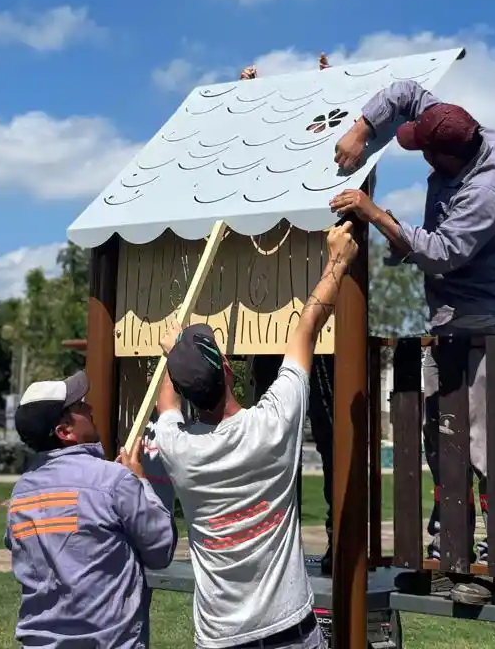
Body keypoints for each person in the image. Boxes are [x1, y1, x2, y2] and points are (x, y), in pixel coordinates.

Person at [329, 79, 495, 605]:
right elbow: (403, 91)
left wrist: (376, 216)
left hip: (490, 326)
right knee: (444, 444)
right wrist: (361, 128)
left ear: (452, 156)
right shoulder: (457, 124)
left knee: (486, 447)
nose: (422, 160)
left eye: (427, 153)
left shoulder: (487, 192)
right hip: (451, 323)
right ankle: (449, 557)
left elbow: (442, 251)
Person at [153, 220, 360, 649]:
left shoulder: (177, 449)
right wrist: (337, 260)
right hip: (290, 632)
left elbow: (165, 405)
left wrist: (176, 355)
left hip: (221, 639)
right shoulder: (272, 425)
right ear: (230, 370)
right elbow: (307, 326)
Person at [241, 55, 337, 575]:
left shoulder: (333, 172)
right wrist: (245, 103)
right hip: (268, 323)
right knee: (273, 441)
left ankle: (341, 542)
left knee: (331, 439)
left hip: (322, 331)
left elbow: (349, 150)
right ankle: (278, 545)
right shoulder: (263, 177)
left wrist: (331, 91)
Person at [7, 369, 177, 648]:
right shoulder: (113, 480)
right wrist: (141, 482)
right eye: (78, 407)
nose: (90, 407)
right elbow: (161, 550)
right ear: (65, 431)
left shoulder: (21, 493)